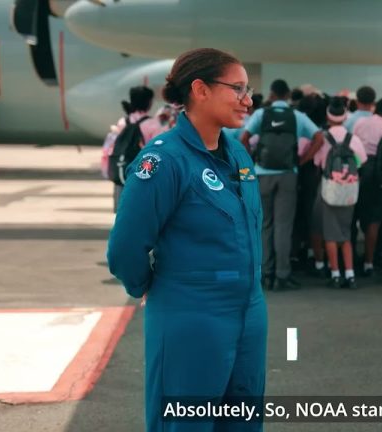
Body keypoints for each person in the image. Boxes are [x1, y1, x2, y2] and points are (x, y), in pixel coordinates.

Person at [107, 48, 265, 432]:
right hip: (191, 314)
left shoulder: (238, 154)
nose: (247, 100)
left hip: (248, 313)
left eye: (248, 90)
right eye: (237, 89)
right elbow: (126, 247)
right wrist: (153, 288)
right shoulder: (165, 161)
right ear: (200, 90)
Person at [241, 79, 324, 291]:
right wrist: (302, 160)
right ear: (287, 95)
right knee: (284, 226)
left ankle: (265, 273)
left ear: (271, 94)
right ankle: (282, 274)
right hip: (288, 174)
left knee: (265, 224)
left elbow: (244, 138)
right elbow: (319, 138)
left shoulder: (261, 114)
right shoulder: (297, 116)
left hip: (262, 174)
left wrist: (252, 160)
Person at [312, 97, 368, 288]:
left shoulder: (323, 137)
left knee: (330, 234)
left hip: (329, 189)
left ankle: (335, 273)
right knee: (345, 232)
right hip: (349, 189)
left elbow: (317, 162)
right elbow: (362, 160)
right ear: (345, 117)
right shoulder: (353, 138)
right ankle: (350, 274)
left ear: (328, 116)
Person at [353, 96, 382, 276]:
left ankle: (368, 262)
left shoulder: (361, 123)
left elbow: (354, 145)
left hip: (366, 170)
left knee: (372, 220)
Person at [111, 86, 166, 210]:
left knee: (122, 209)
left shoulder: (123, 122)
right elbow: (159, 150)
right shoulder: (153, 124)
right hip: (144, 172)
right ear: (149, 102)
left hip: (122, 169)